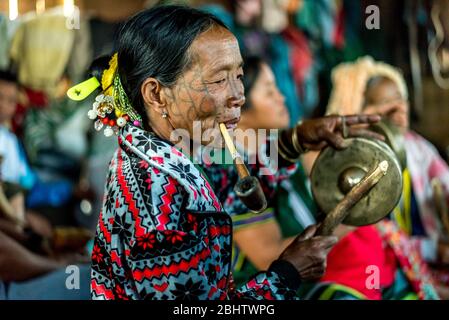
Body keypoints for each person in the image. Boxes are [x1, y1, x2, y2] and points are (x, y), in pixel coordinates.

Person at [69, 5, 382, 300]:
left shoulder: (177, 152)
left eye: (239, 76)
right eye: (219, 79)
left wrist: (296, 141)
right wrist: (286, 274)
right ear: (156, 94)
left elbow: (234, 188)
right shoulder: (153, 191)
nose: (238, 96)